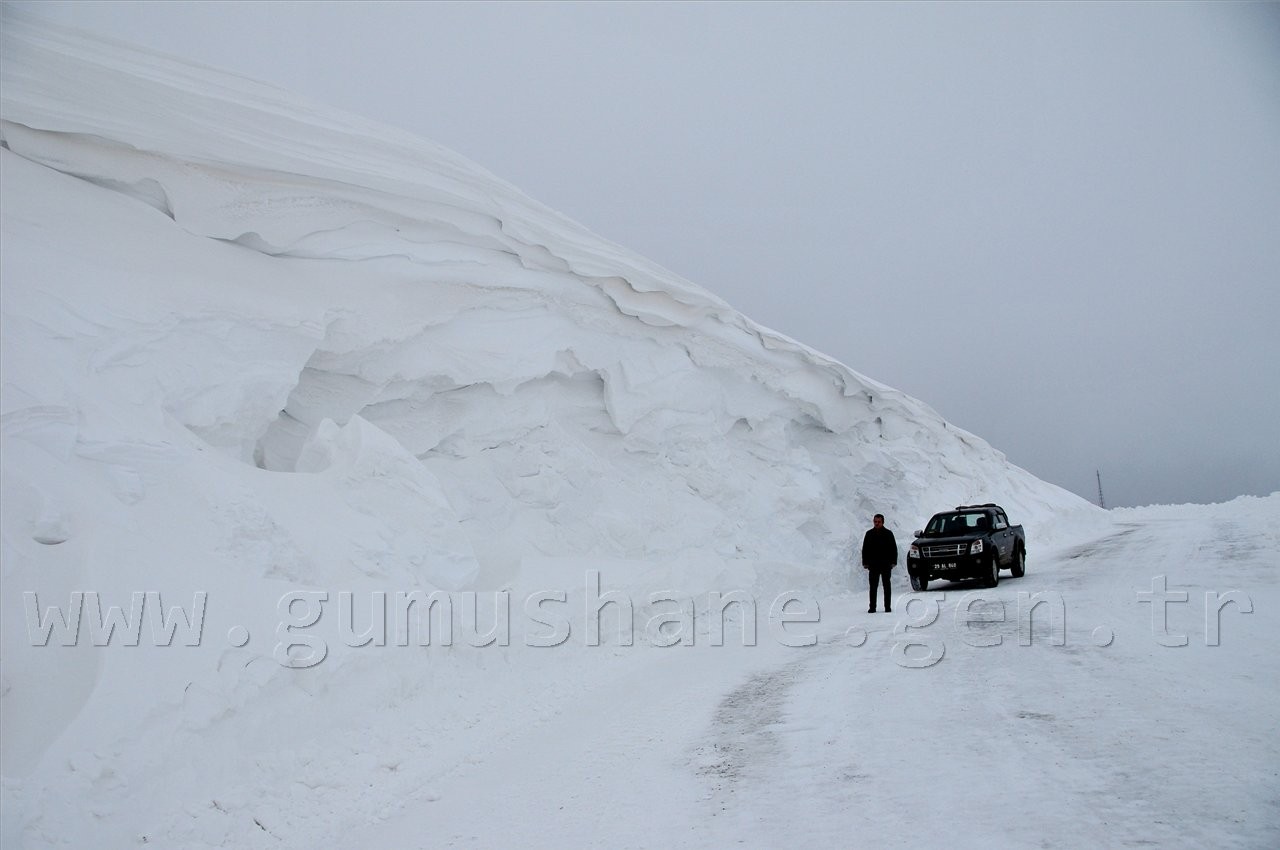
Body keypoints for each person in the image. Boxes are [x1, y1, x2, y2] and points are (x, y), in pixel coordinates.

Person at [861, 513, 897, 613]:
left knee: (887, 586)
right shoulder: (869, 534)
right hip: (873, 565)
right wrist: (865, 562)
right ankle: (872, 607)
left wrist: (893, 561)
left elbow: (893, 548)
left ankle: (887, 607)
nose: (876, 523)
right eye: (875, 521)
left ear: (883, 522)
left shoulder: (888, 534)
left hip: (886, 564)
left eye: (879, 522)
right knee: (873, 587)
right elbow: (865, 549)